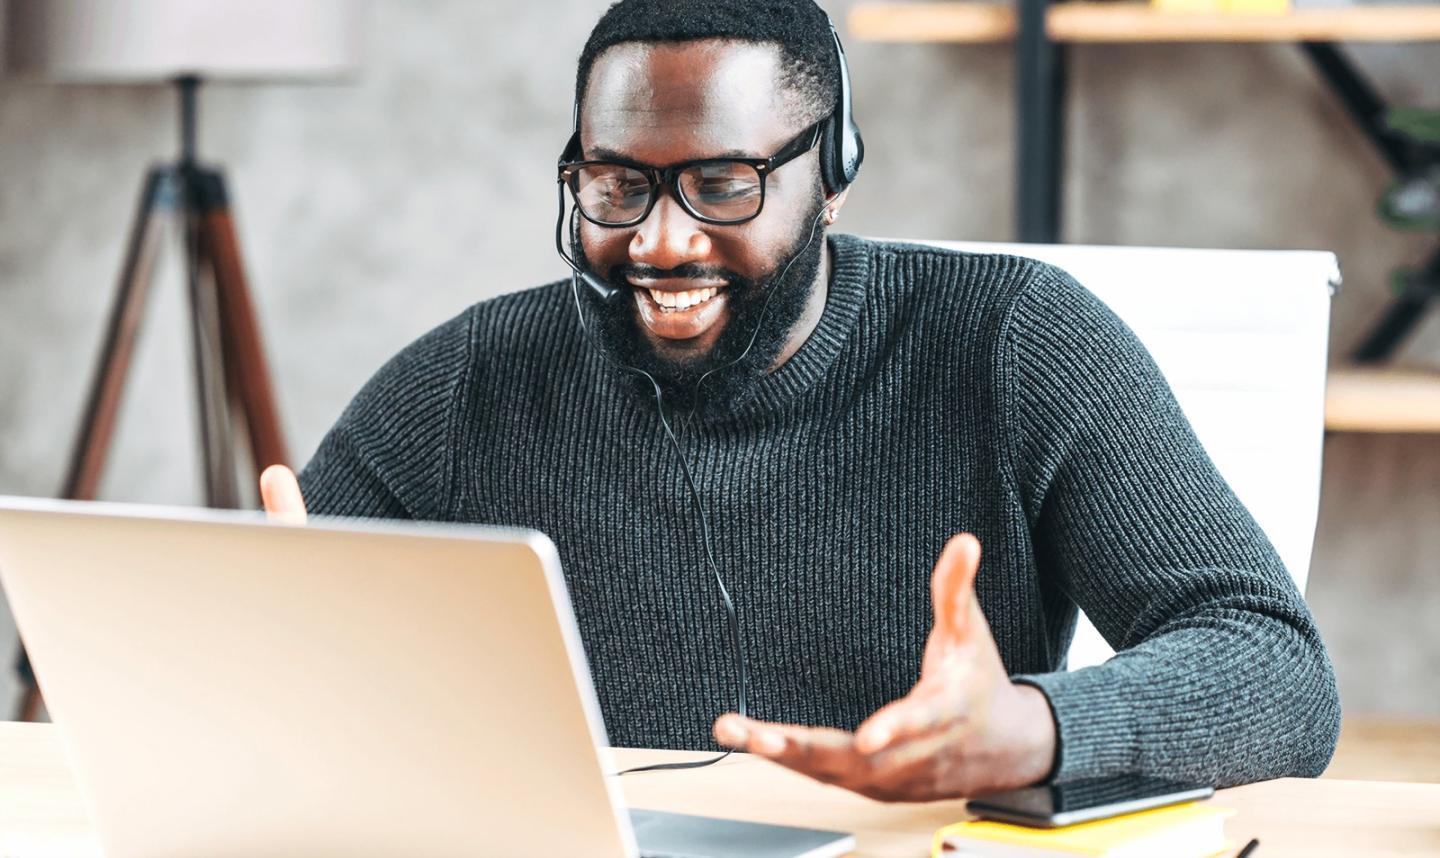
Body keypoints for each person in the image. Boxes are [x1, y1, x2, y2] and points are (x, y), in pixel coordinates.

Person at [261, 0, 1340, 803]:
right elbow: (281, 651)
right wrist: (262, 630)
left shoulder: (1015, 339)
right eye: (616, 184)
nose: (661, 241)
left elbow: (1277, 668)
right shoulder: (472, 378)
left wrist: (1036, 729)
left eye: (723, 185)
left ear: (833, 171)